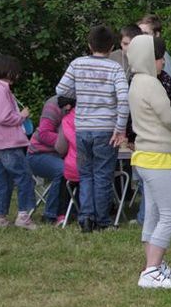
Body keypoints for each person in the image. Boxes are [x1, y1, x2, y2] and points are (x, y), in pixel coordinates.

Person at [126, 35, 171, 289]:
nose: (163, 61)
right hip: (157, 158)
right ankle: (151, 271)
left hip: (146, 156)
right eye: (159, 57)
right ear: (147, 59)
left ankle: (154, 265)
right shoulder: (151, 84)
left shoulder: (136, 82)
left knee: (153, 214)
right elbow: (167, 117)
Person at [55, 25, 129, 232]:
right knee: (103, 175)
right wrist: (120, 128)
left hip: (82, 128)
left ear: (89, 45)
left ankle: (86, 218)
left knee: (86, 174)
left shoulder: (77, 64)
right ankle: (103, 220)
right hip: (105, 129)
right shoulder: (115, 68)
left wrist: (80, 92)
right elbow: (123, 99)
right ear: (112, 46)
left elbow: (60, 89)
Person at [0, 54, 38, 230]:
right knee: (24, 177)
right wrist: (21, 117)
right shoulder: (1, 90)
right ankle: (24, 215)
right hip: (8, 143)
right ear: (8, 71)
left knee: (3, 180)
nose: (18, 75)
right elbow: (2, 117)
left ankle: (1, 217)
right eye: (16, 72)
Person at [26, 95, 75, 224]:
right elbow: (44, 134)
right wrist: (68, 141)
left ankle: (74, 211)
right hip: (38, 154)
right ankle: (50, 214)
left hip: (63, 154)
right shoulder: (53, 104)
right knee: (63, 169)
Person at [137, 14, 171, 95]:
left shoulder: (162, 57)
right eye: (139, 34)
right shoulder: (143, 54)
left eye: (145, 33)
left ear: (157, 34)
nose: (141, 37)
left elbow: (169, 89)